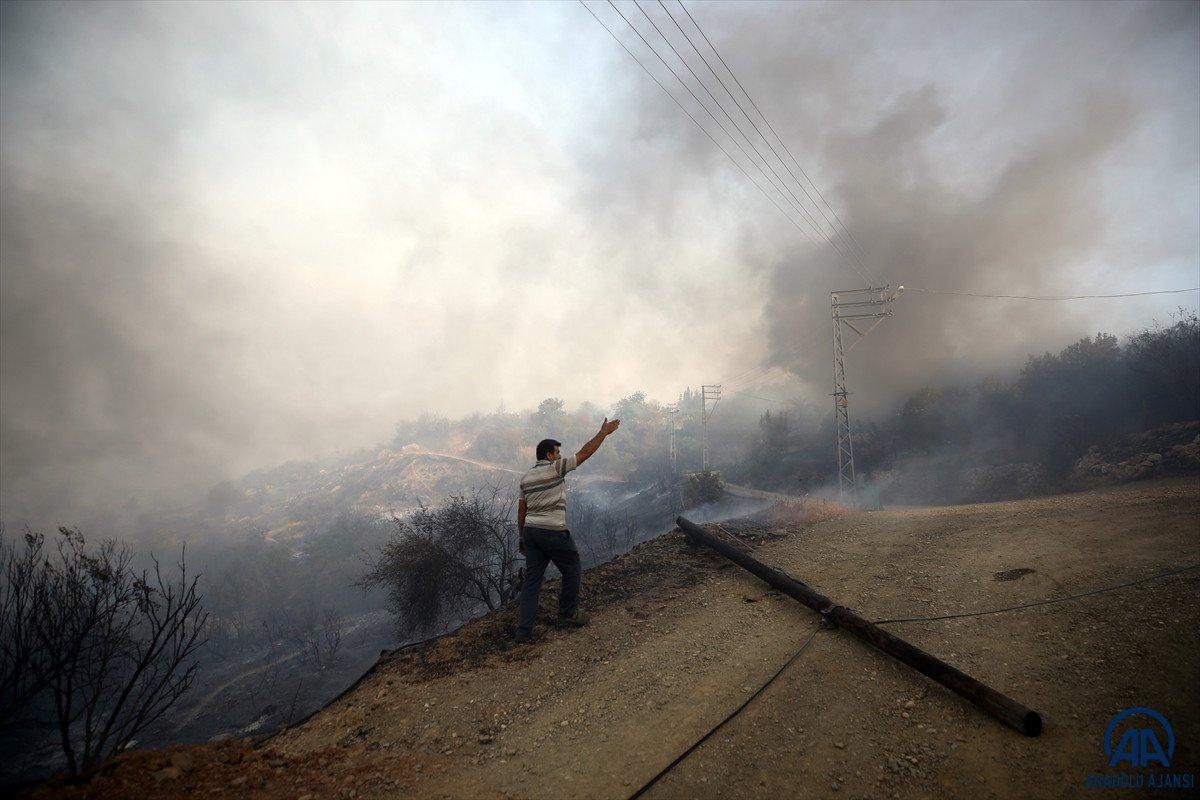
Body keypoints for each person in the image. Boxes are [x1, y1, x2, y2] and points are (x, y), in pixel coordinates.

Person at [514, 417, 620, 643]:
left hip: (531, 532)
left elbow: (522, 511)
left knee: (532, 581)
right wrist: (603, 433)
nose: (560, 456)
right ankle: (568, 614)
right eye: (557, 452)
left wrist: (522, 537)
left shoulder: (525, 478)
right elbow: (585, 453)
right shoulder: (556, 468)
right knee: (572, 569)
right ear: (549, 455)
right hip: (552, 530)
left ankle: (523, 631)